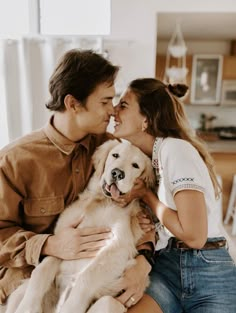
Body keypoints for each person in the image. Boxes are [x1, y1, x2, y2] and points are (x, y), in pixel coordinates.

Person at [0, 49, 155, 309]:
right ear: (73, 104)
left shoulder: (113, 150)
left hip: (96, 275)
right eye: (105, 102)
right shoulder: (14, 161)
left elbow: (142, 210)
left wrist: (144, 262)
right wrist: (49, 244)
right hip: (30, 276)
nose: (113, 111)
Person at [113, 78, 236, 313]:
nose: (113, 111)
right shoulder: (149, 159)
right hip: (167, 263)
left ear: (146, 120)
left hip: (208, 269)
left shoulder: (175, 149)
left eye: (123, 105)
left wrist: (147, 196)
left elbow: (194, 236)